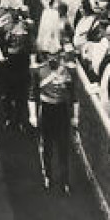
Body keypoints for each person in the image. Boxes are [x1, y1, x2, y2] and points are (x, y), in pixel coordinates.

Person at [28, 47, 79, 193]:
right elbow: (32, 94)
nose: (53, 58)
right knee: (47, 146)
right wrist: (32, 114)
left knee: (64, 146)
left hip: (62, 110)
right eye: (50, 55)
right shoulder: (39, 71)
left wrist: (75, 116)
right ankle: (48, 176)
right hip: (46, 110)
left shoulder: (69, 71)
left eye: (56, 55)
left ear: (60, 55)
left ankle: (65, 180)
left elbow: (74, 96)